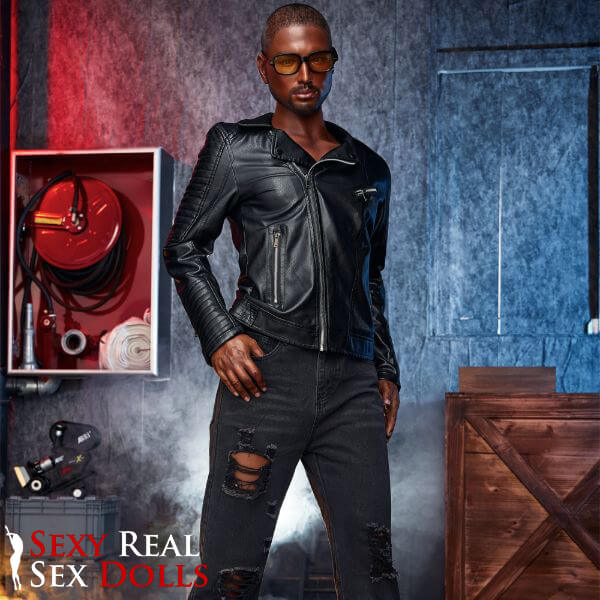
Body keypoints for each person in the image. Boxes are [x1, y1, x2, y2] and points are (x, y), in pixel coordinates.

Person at [163, 3, 401, 598]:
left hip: (352, 387)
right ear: (264, 67)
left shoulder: (368, 169)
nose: (305, 74)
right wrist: (220, 335)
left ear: (332, 62)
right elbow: (184, 247)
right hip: (265, 380)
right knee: (231, 574)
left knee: (374, 570)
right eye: (289, 61)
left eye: (318, 59)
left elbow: (370, 278)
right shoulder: (235, 148)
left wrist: (385, 367)